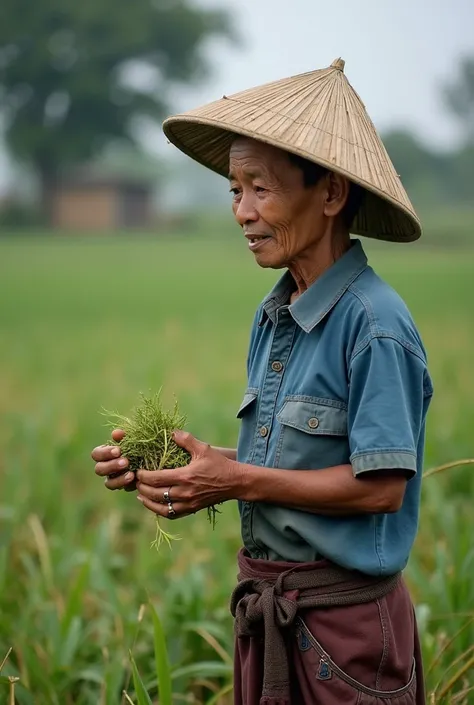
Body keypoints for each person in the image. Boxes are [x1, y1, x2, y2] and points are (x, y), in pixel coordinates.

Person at [92, 59, 433, 705]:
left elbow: (383, 486)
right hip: (274, 616)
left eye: (261, 189)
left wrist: (237, 478)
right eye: (233, 190)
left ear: (330, 195)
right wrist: (171, 466)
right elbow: (275, 461)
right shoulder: (276, 313)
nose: (242, 211)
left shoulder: (375, 325)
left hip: (346, 640)